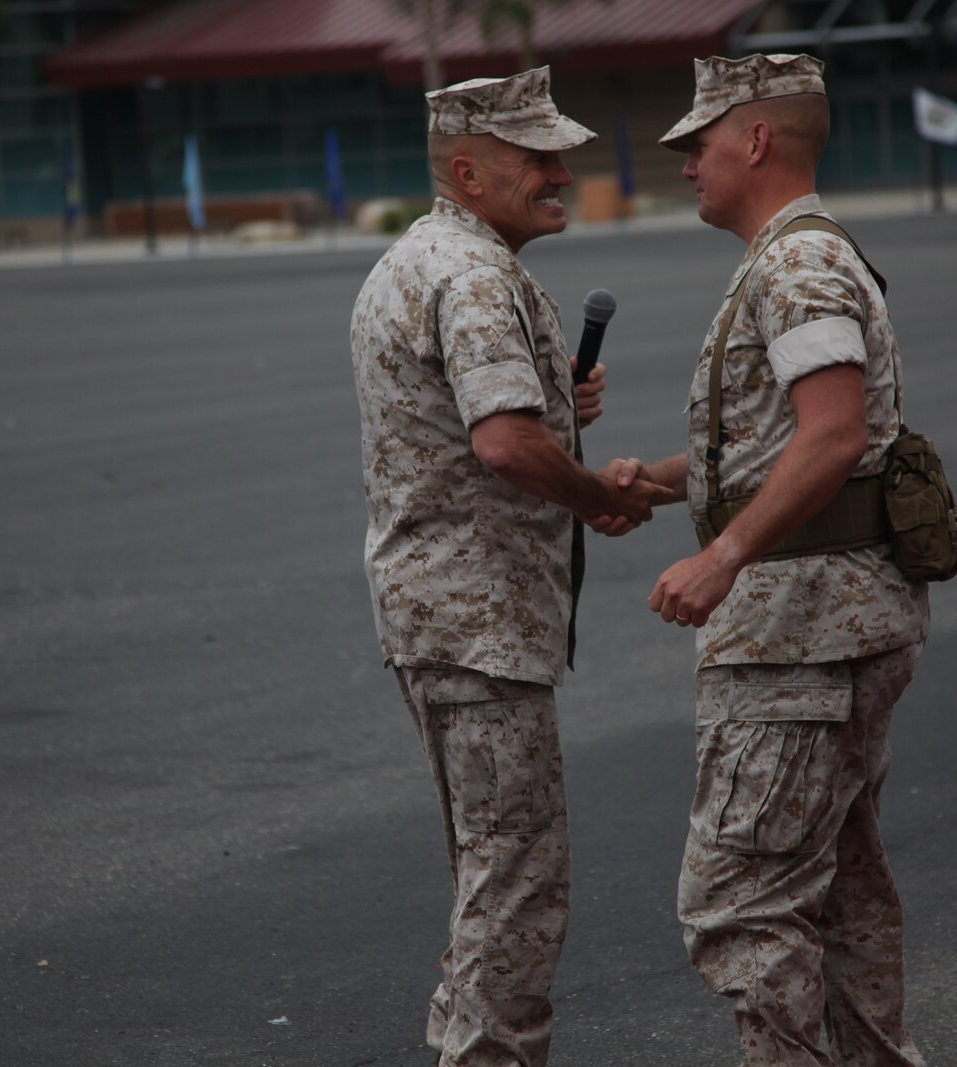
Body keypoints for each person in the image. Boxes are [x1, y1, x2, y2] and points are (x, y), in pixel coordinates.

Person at [603, 54, 934, 1066]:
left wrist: (723, 554)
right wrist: (665, 482)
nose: (684, 164)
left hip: (800, 632)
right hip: (825, 622)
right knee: (836, 887)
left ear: (755, 139)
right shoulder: (789, 258)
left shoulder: (796, 264)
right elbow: (785, 440)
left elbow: (831, 434)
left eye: (696, 144)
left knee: (741, 900)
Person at [350, 67, 669, 1067]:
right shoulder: (475, 277)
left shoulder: (421, 256)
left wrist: (557, 413)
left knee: (493, 865)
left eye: (559, 155)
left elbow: (480, 424)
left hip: (439, 612)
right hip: (477, 619)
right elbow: (498, 445)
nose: (560, 172)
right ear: (465, 170)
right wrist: (594, 492)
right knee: (516, 879)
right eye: (535, 157)